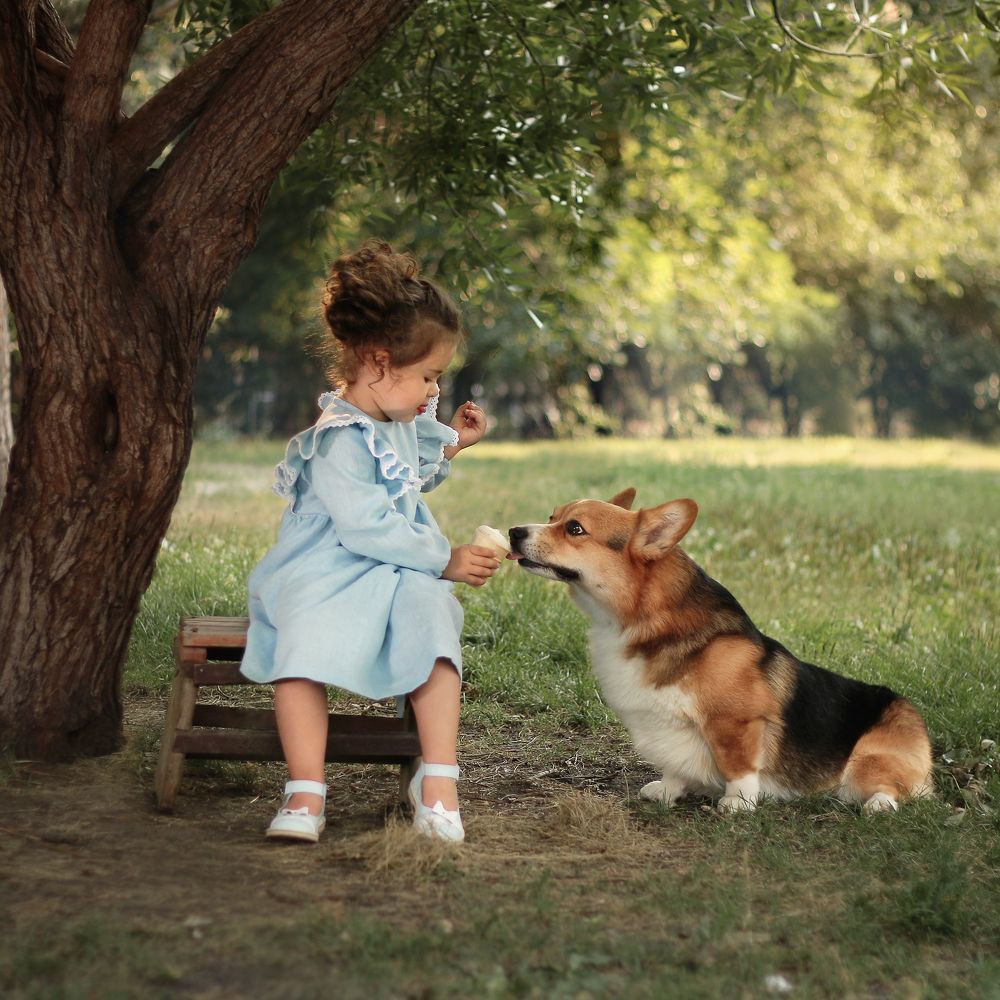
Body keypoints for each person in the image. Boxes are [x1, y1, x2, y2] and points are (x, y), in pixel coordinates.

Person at [241, 240, 499, 844]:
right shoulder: (336, 438)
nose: (433, 393)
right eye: (428, 377)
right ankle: (305, 791)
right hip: (327, 568)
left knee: (434, 616)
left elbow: (408, 484)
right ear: (379, 364)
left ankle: (437, 781)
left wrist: (453, 445)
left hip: (391, 567)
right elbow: (365, 526)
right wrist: (445, 557)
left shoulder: (395, 421)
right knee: (300, 648)